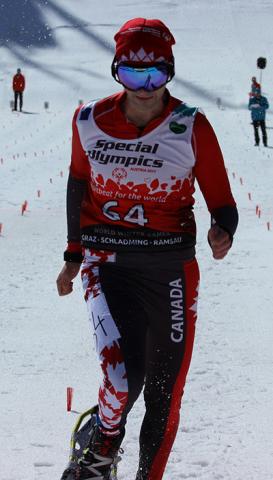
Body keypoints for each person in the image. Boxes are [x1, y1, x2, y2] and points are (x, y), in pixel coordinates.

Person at [57, 17, 239, 480]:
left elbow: (222, 201)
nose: (144, 87)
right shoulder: (89, 121)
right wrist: (73, 254)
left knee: (163, 392)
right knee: (122, 378)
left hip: (170, 271)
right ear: (116, 72)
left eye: (155, 74)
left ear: (170, 73)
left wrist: (224, 228)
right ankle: (100, 447)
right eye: (132, 75)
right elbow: (78, 181)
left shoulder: (191, 126)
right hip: (108, 263)